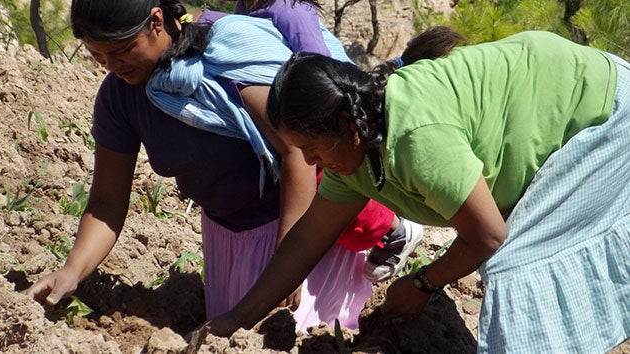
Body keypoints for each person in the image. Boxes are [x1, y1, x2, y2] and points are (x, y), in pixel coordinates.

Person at [209, 26, 630, 353]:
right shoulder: (354, 148)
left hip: (602, 108)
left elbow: (487, 234)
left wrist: (423, 284)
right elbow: (306, 240)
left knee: (515, 264)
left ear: (346, 127)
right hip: (562, 91)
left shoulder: (414, 136)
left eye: (311, 148)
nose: (310, 162)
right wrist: (236, 319)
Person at [22, 0, 374, 332]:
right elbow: (107, 202)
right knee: (226, 334)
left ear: (156, 21)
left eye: (122, 50)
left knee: (289, 337)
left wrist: (287, 263)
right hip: (225, 237)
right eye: (99, 56)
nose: (113, 66)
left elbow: (297, 153)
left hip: (296, 227)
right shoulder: (120, 96)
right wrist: (71, 271)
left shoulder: (225, 60)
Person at [206, 0, 423, 282]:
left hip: (315, 117)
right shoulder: (249, 7)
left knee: (331, 189)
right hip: (291, 117)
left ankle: (393, 229)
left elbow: (319, 66)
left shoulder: (289, 10)